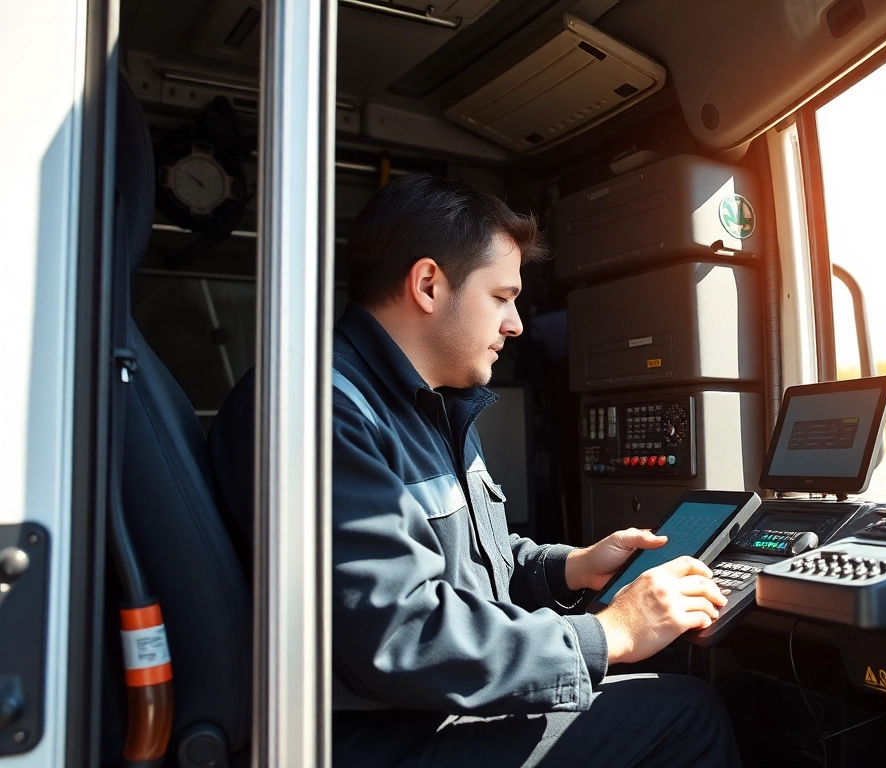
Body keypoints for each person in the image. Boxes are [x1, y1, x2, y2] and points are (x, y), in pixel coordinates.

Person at [208, 175, 741, 767]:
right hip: (364, 737)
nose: (515, 323)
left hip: (415, 710)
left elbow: (468, 563)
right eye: (502, 296)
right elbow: (401, 633)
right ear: (430, 284)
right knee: (689, 715)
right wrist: (610, 632)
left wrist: (571, 570)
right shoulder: (317, 413)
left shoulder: (426, 403)